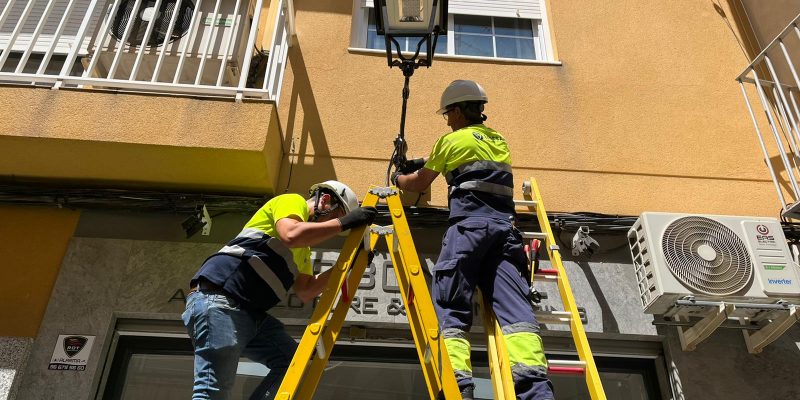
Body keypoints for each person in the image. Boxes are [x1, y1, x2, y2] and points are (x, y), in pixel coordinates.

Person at [393, 80, 555, 400]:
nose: (447, 121)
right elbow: (461, 155)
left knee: (452, 305)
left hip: (468, 230)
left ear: (457, 111)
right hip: (505, 235)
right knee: (518, 317)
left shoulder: (450, 141)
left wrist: (399, 176)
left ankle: (459, 387)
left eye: (447, 114)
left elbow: (418, 183)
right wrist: (423, 160)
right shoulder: (497, 140)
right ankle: (536, 391)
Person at [182, 180, 377, 400]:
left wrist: (349, 264)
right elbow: (291, 234)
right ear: (325, 200)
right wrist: (345, 222)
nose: (332, 227)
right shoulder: (292, 201)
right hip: (219, 300)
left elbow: (306, 290)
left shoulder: (303, 250)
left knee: (292, 363)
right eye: (335, 216)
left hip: (250, 315)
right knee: (212, 391)